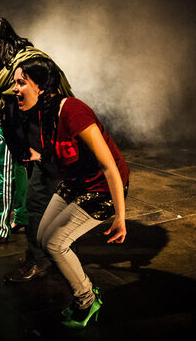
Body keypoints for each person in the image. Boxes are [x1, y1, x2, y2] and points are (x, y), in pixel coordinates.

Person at [12, 57, 129, 328]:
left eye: (21, 83)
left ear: (42, 86)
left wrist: (120, 217)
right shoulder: (43, 112)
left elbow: (109, 165)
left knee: (55, 243)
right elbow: (62, 149)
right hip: (77, 182)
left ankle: (86, 298)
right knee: (42, 237)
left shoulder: (73, 110)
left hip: (103, 188)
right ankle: (85, 292)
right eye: (14, 83)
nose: (15, 89)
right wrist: (39, 155)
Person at [0, 17, 74, 257]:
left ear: (1, 39)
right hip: (18, 124)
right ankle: (22, 219)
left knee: (5, 173)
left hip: (30, 126)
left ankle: (2, 227)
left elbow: (49, 91)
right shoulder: (0, 66)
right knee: (18, 173)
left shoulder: (26, 61)